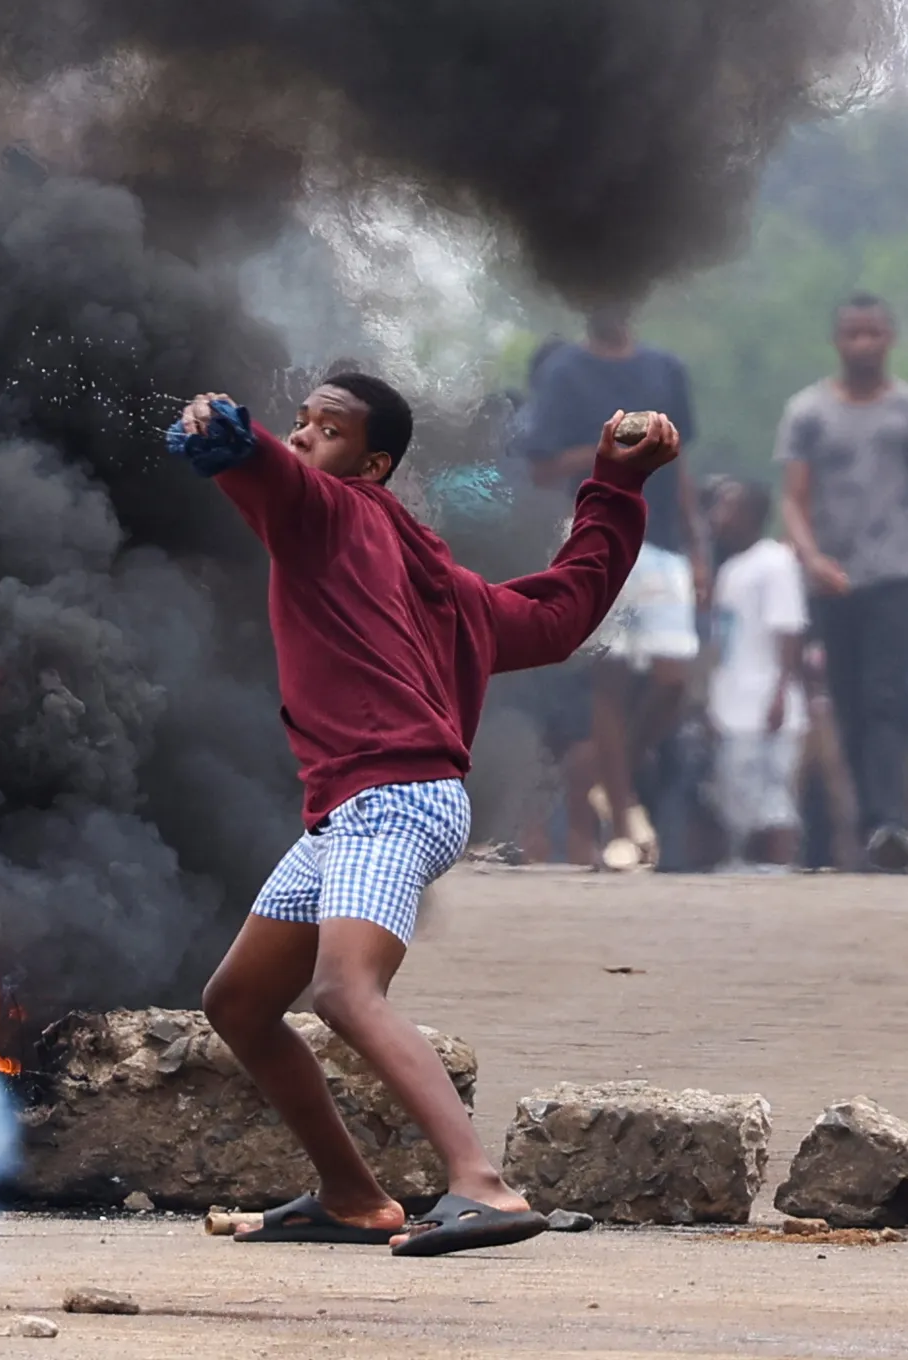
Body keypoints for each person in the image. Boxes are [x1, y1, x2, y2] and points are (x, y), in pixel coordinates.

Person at [173, 374, 678, 1257]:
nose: (303, 437)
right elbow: (563, 612)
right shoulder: (442, 583)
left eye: (327, 430)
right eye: (297, 423)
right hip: (353, 809)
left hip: (391, 798)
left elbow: (274, 477)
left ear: (372, 466)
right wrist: (617, 486)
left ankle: (483, 1184)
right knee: (240, 1002)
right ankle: (351, 1197)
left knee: (344, 991)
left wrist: (234, 440)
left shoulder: (327, 511)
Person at [776, 294, 908, 872]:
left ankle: (892, 820)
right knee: (850, 700)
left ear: (890, 338)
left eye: (874, 333)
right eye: (853, 334)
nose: (863, 344)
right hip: (833, 578)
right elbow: (794, 497)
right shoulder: (808, 411)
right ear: (837, 340)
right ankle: (871, 824)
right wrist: (811, 557)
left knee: (889, 694)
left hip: (894, 571)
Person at [517, 306, 707, 867]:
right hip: (594, 531)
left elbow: (681, 462)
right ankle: (624, 817)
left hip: (662, 538)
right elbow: (541, 467)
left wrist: (698, 546)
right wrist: (607, 449)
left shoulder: (666, 369)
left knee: (673, 677)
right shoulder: (564, 372)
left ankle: (610, 774)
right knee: (610, 676)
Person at [706, 480, 808, 869]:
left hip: (766, 704)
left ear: (751, 514)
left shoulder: (775, 562)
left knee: (775, 799)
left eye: (727, 508)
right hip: (733, 705)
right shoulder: (731, 569)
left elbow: (789, 629)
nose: (717, 517)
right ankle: (744, 872)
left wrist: (781, 692)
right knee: (737, 800)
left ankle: (780, 870)